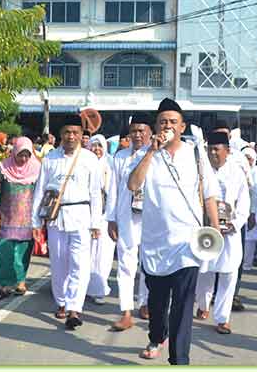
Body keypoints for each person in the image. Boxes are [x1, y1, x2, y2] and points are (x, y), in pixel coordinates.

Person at [128, 98, 219, 364]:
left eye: (173, 122)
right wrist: (150, 152)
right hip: (155, 242)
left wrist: (214, 227)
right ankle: (157, 335)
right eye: (162, 122)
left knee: (182, 303)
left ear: (182, 127)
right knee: (157, 303)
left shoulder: (195, 154)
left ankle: (179, 359)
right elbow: (133, 185)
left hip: (186, 243)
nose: (167, 126)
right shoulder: (146, 154)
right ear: (155, 127)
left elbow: (210, 193)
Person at [32, 114, 103, 330]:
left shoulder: (90, 159)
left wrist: (96, 223)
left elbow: (95, 193)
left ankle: (75, 308)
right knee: (59, 261)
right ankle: (61, 301)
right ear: (60, 135)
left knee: (79, 264)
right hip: (56, 218)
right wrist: (35, 222)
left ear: (82, 135)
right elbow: (40, 190)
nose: (71, 136)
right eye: (67, 133)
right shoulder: (51, 159)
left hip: (82, 216)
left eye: (75, 133)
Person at [195, 132, 250, 335]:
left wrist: (235, 224)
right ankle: (203, 304)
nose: (213, 153)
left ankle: (222, 318)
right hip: (206, 229)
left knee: (228, 273)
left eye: (217, 149)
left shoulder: (237, 172)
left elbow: (244, 202)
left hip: (230, 232)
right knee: (205, 271)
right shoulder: (201, 172)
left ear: (227, 151)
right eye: (210, 149)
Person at [105, 113, 153, 331]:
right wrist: (111, 219)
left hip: (151, 217)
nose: (137, 134)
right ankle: (126, 311)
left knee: (149, 263)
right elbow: (113, 189)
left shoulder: (155, 154)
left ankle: (145, 303)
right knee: (126, 263)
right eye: (134, 131)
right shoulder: (120, 157)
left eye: (142, 130)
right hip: (125, 217)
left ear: (150, 133)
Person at [0, 137, 41, 300]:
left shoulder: (37, 169)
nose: (23, 159)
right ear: (14, 152)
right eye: (20, 155)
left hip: (27, 220)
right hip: (7, 218)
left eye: (27, 155)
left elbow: (40, 194)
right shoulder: (3, 168)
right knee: (6, 253)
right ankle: (4, 286)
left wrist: (41, 218)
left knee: (22, 254)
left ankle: (20, 282)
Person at [87, 134, 116, 305]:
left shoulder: (110, 164)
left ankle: (99, 288)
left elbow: (113, 190)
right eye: (94, 146)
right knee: (88, 253)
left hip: (106, 216)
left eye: (100, 146)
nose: (97, 149)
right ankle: (86, 288)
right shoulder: (85, 162)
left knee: (104, 255)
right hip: (88, 215)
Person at [241, 147, 257, 271]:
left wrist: (253, 214)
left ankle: (246, 264)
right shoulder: (238, 170)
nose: (247, 161)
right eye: (245, 158)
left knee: (250, 240)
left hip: (254, 209)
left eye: (250, 159)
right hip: (242, 208)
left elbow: (256, 192)